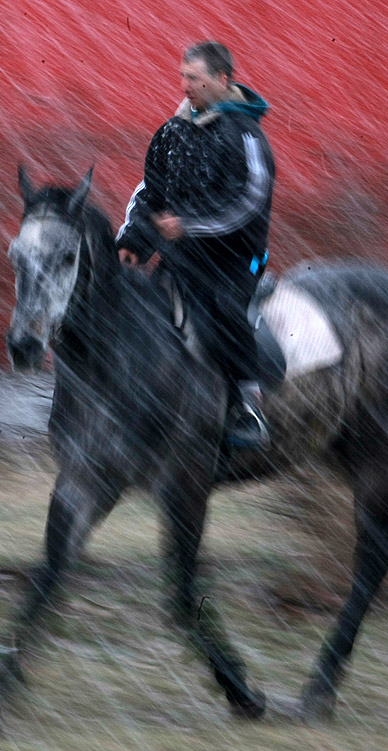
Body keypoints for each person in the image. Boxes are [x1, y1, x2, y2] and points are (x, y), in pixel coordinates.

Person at [116, 41, 275, 450]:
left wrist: (190, 227)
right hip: (181, 258)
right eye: (183, 76)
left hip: (238, 259)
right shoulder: (173, 131)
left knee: (225, 309)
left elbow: (248, 202)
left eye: (194, 78)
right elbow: (151, 190)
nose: (184, 85)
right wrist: (134, 239)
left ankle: (249, 406)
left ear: (222, 80)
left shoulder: (246, 135)